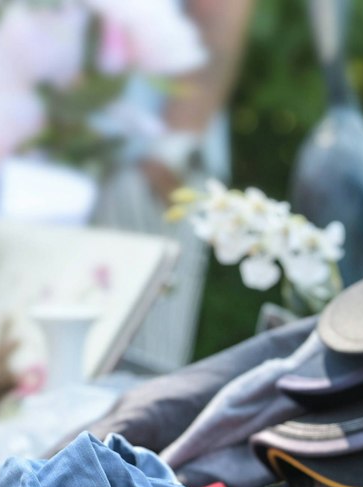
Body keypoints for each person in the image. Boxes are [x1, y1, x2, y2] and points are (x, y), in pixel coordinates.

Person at [96, 0, 256, 374]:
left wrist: (172, 148)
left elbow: (219, 16)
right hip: (43, 169)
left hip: (140, 169)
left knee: (134, 370)